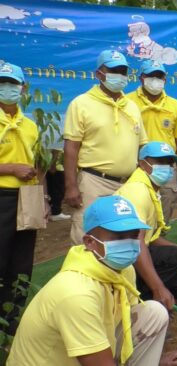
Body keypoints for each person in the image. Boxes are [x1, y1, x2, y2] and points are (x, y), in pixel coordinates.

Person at [7, 195, 176, 365]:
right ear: (90, 242)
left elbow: (125, 324)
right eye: (118, 236)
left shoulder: (124, 270)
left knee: (154, 313)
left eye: (134, 235)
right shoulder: (76, 293)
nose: (129, 243)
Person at [64, 50, 148, 245]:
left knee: (124, 235)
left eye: (122, 71)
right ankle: (86, 274)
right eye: (113, 70)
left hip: (127, 183)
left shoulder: (132, 106)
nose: (119, 75)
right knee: (88, 235)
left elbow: (142, 144)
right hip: (94, 182)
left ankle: (120, 276)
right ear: (99, 74)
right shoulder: (81, 104)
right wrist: (71, 186)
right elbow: (71, 148)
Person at [115, 142, 177, 307]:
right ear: (142, 163)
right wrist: (158, 287)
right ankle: (139, 301)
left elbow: (150, 238)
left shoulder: (151, 189)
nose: (167, 168)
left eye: (169, 163)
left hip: (133, 251)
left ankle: (149, 294)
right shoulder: (137, 192)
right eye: (160, 162)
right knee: (174, 257)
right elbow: (137, 243)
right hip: (122, 257)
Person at [0, 62, 48, 334]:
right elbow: (18, 167)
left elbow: (39, 164)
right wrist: (11, 169)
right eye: (2, 83)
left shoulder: (30, 125)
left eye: (12, 84)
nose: (7, 89)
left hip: (27, 196)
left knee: (21, 263)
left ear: (23, 88)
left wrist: (43, 197)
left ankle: (13, 321)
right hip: (2, 196)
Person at [127, 60, 177, 222]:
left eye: (159, 76)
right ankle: (141, 245)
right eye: (151, 76)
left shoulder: (176, 106)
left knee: (164, 212)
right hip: (137, 166)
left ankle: (158, 243)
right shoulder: (127, 103)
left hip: (166, 168)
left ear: (165, 80)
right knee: (136, 211)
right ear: (142, 78)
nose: (155, 80)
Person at [47, 149, 70, 221]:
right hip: (57, 169)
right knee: (58, 191)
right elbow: (55, 152)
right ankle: (55, 212)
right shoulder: (57, 142)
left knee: (55, 190)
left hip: (56, 168)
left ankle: (53, 211)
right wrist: (53, 165)